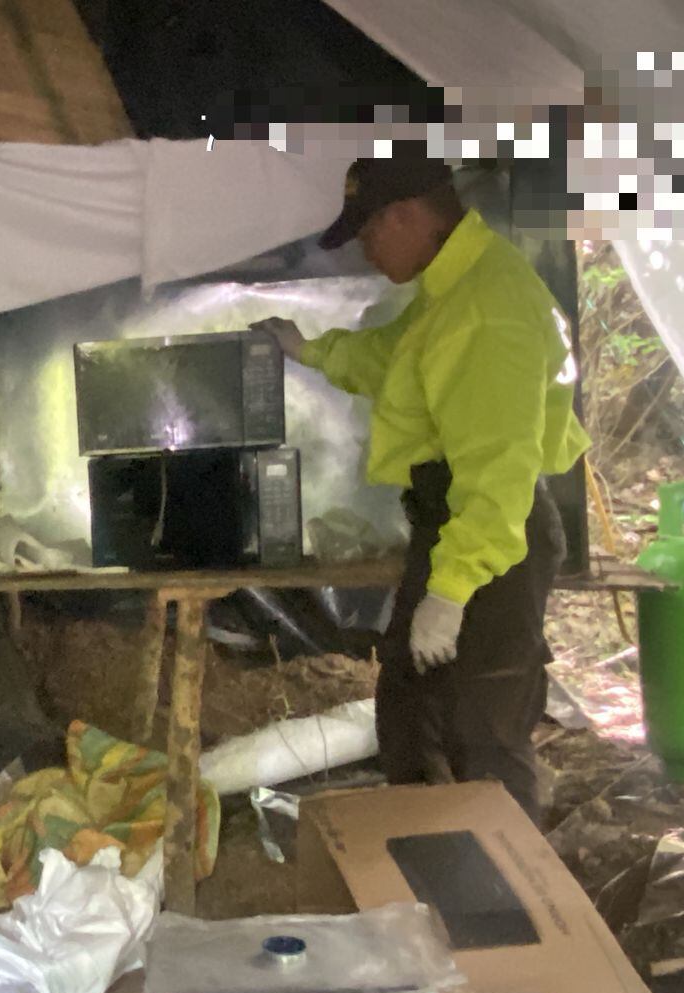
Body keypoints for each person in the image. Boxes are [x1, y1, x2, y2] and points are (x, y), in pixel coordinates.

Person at [253, 145, 590, 816]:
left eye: (370, 232)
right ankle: (429, 868)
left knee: (483, 731)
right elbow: (392, 359)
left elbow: (498, 472)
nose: (366, 252)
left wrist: (452, 591)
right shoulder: (453, 289)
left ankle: (512, 905)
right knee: (410, 715)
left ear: (406, 216)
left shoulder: (487, 307)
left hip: (493, 537)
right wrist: (311, 348)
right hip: (456, 526)